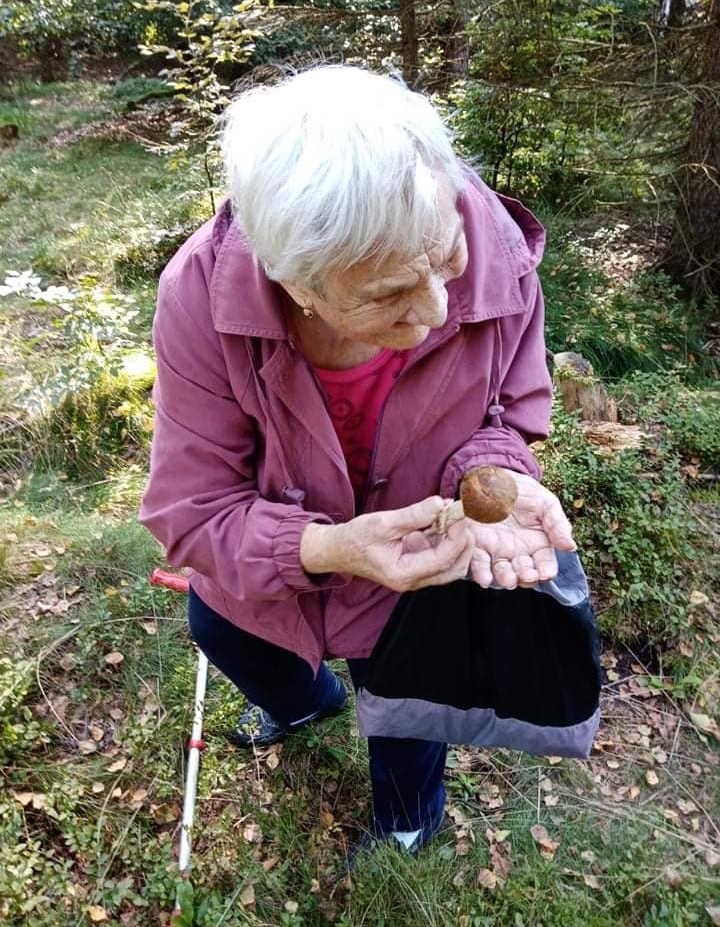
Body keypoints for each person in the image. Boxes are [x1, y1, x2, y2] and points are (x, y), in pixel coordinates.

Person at [138, 64, 582, 856]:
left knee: (407, 707)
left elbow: (508, 406)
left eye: (445, 262)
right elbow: (191, 511)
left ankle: (407, 819)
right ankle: (304, 705)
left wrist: (496, 473)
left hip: (420, 574)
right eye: (386, 295)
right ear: (296, 283)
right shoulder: (201, 300)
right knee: (218, 623)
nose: (440, 310)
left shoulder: (494, 246)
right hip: (272, 566)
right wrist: (332, 549)